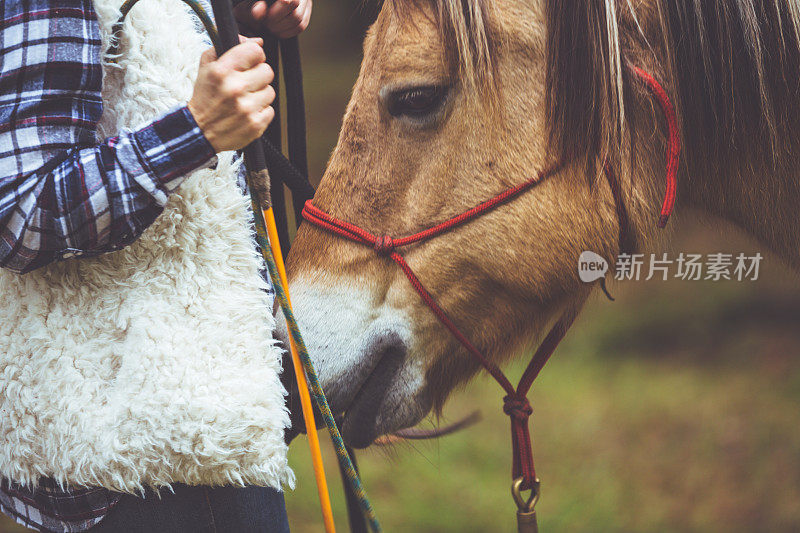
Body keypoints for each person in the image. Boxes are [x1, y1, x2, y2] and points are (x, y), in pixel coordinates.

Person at [0, 0, 311, 531]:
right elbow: (20, 212)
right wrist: (196, 130)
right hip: (146, 445)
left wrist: (243, 16)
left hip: (187, 425)